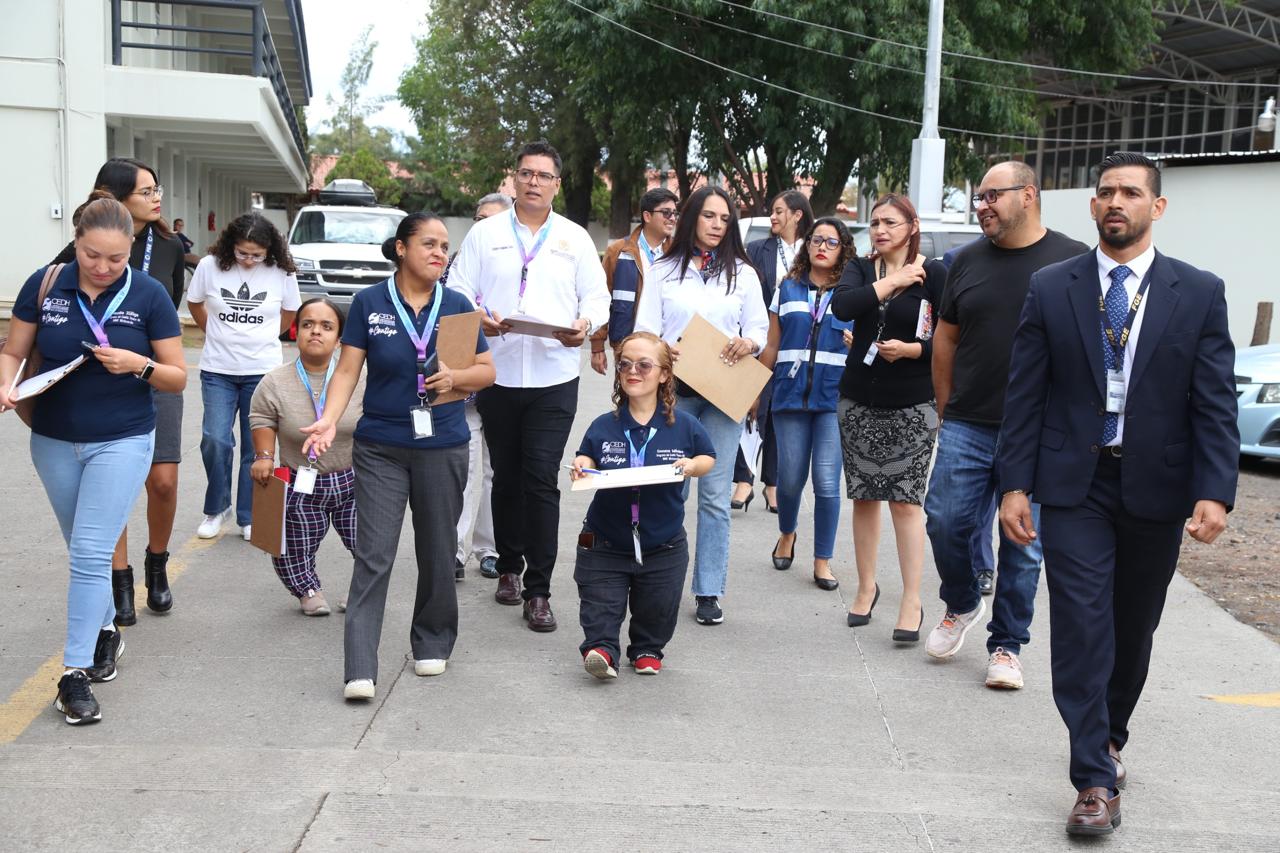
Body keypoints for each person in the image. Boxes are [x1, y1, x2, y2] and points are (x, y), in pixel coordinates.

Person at [997, 152, 1238, 835]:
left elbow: (1214, 402)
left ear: (1156, 207)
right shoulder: (1052, 287)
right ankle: (1093, 781)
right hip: (1074, 482)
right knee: (1080, 625)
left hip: (1156, 485)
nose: (1115, 202)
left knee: (1132, 628)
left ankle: (1110, 735)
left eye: (1130, 192)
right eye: (1105, 191)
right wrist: (1014, 482)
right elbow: (1025, 395)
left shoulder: (1199, 291)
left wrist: (1214, 490)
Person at [0, 197, 186, 724]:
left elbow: (176, 375)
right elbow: (14, 351)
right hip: (53, 437)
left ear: (131, 251)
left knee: (87, 552)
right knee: (84, 548)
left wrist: (138, 363)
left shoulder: (148, 294)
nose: (102, 268)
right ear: (75, 241)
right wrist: (6, 382)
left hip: (123, 439)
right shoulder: (45, 283)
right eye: (91, 256)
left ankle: (73, 673)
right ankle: (106, 629)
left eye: (115, 260)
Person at [301, 212, 495, 699]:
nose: (439, 252)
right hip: (381, 447)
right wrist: (328, 417)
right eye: (428, 243)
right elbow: (347, 371)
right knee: (374, 554)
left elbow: (487, 371)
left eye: (445, 246)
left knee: (436, 551)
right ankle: (360, 665)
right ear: (401, 249)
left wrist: (457, 379)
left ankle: (432, 640)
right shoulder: (368, 302)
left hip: (443, 444)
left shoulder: (456, 305)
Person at [924, 162, 1089, 687]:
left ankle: (1007, 645)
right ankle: (963, 600)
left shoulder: (1074, 261)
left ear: (1029, 195)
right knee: (944, 519)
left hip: (1040, 429)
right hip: (968, 420)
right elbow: (946, 338)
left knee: (1023, 540)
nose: (982, 206)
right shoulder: (964, 262)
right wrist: (946, 405)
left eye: (992, 196)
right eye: (978, 198)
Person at [447, 140, 609, 632]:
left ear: (557, 184)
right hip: (496, 371)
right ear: (513, 179)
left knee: (541, 479)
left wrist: (585, 324)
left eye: (543, 175)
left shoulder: (575, 238)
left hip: (553, 375)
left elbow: (598, 297)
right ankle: (509, 567)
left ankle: (538, 589)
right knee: (507, 476)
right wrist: (479, 317)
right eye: (526, 173)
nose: (534, 182)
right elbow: (456, 287)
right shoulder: (486, 234)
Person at [50, 158, 187, 627]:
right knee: (111, 487)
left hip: (155, 373)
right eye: (145, 191)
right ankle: (120, 579)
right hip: (102, 383)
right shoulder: (81, 250)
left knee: (163, 481)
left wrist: (147, 362)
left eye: (157, 188)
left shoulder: (170, 246)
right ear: (116, 199)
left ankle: (158, 562)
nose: (156, 197)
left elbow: (171, 311)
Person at [634, 185, 768, 626]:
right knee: (671, 486)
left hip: (725, 393)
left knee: (714, 497)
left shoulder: (743, 274)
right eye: (709, 216)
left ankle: (709, 590)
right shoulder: (662, 269)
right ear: (691, 218)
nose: (716, 225)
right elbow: (645, 329)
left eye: (724, 219)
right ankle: (657, 577)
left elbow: (759, 329)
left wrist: (748, 341)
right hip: (676, 391)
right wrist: (662, 348)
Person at [831, 195, 946, 640]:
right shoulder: (861, 268)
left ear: (912, 225)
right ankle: (865, 588)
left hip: (914, 403)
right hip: (858, 400)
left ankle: (912, 600)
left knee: (905, 501)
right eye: (875, 222)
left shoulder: (934, 273)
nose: (880, 229)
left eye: (890, 222)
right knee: (863, 496)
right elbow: (843, 307)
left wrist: (915, 350)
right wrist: (893, 279)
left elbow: (954, 340)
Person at [570, 332, 715, 679]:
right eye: (625, 365)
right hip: (605, 539)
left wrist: (693, 467)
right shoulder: (605, 424)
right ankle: (601, 649)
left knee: (658, 607)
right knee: (600, 605)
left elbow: (708, 455)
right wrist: (581, 462)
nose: (633, 371)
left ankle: (646, 649)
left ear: (664, 374)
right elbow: (586, 452)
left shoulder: (684, 424)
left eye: (644, 365)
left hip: (661, 542)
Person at [188, 212, 301, 541]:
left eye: (256, 255)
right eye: (242, 253)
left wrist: (267, 338)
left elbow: (289, 313)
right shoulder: (210, 266)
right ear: (230, 246)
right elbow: (195, 303)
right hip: (217, 370)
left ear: (269, 250)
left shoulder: (281, 272)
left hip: (262, 372)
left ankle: (249, 515)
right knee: (215, 439)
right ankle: (216, 508)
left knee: (256, 449)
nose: (249, 260)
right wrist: (213, 330)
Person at [249, 297, 364, 615]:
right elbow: (262, 418)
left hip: (353, 478)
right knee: (293, 545)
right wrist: (263, 456)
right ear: (294, 331)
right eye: (308, 324)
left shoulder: (361, 377)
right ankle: (307, 590)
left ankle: (362, 588)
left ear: (340, 338)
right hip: (300, 479)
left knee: (369, 541)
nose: (316, 331)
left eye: (327, 326)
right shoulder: (275, 381)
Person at [758, 217, 854, 592]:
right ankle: (787, 533)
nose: (822, 247)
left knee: (828, 483)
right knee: (791, 478)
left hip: (834, 397)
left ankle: (822, 561)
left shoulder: (851, 294)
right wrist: (754, 392)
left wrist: (855, 343)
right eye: (817, 240)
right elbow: (771, 344)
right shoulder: (788, 288)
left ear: (843, 249)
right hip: (788, 395)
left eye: (831, 242)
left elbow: (866, 344)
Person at [736, 191, 813, 511]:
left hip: (798, 344)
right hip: (761, 341)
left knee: (782, 413)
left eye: (779, 211)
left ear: (797, 215)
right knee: (751, 408)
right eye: (772, 212)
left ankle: (773, 485)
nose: (773, 217)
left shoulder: (813, 250)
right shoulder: (757, 249)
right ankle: (743, 481)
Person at [453, 192, 511, 581]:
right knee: (465, 467)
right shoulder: (456, 264)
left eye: (493, 218)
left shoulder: (521, 265)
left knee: (496, 470)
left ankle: (488, 548)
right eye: (479, 217)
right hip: (466, 386)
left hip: (510, 382)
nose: (484, 224)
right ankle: (454, 551)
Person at [589, 187, 679, 375]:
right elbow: (600, 298)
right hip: (628, 347)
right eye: (666, 212)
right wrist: (597, 346)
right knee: (629, 402)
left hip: (669, 348)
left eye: (674, 213)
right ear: (647, 216)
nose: (672, 217)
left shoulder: (678, 255)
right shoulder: (619, 251)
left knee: (667, 403)